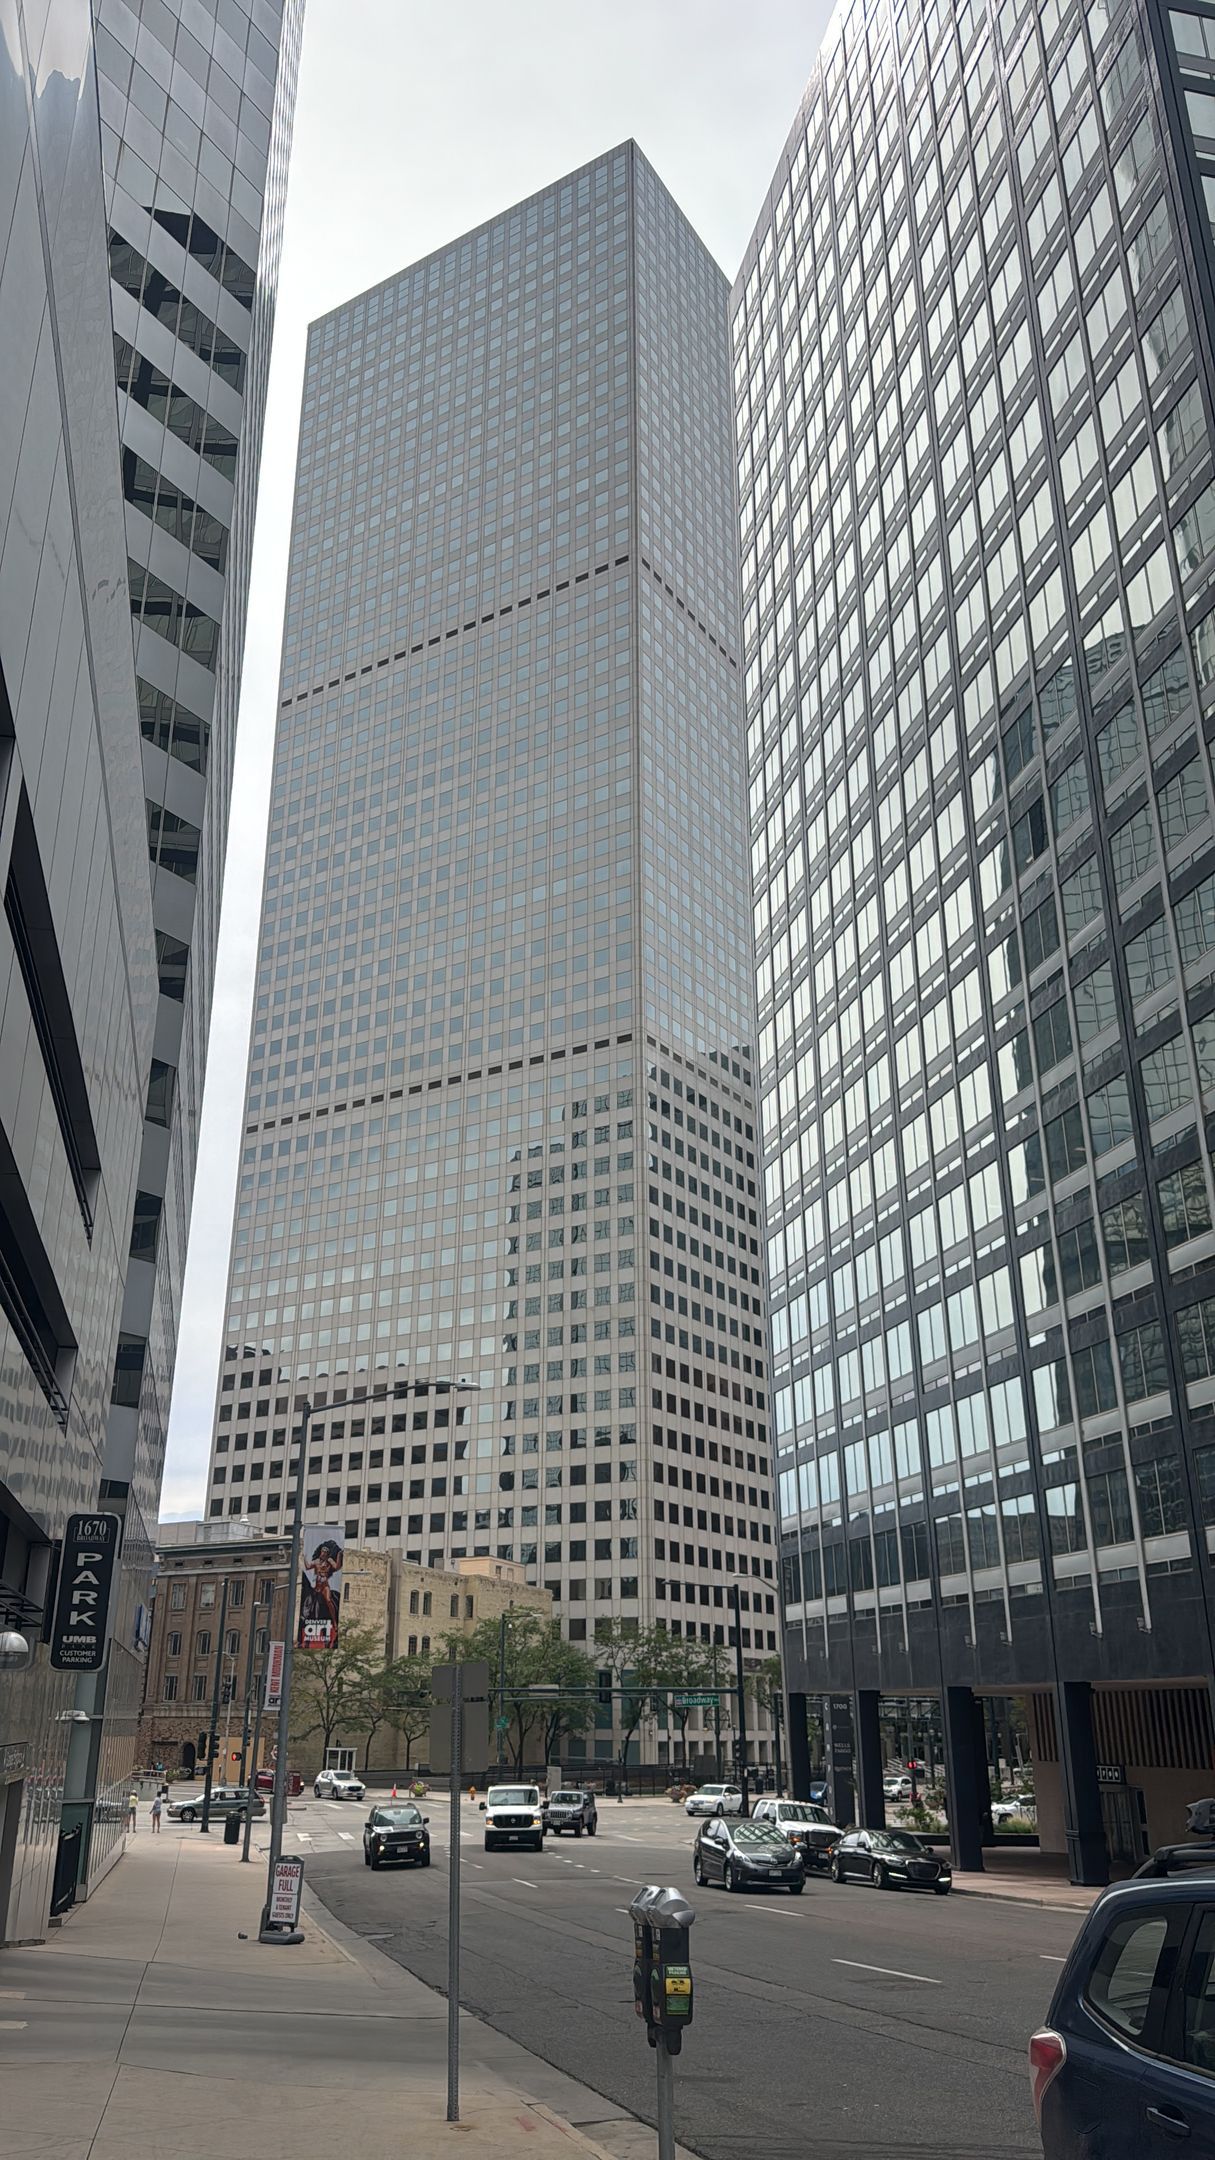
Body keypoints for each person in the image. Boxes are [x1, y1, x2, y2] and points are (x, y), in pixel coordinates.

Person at [298, 1536, 343, 1649]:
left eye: (326, 1552)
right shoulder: (316, 1561)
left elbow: (337, 1567)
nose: (323, 1553)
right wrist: (304, 1557)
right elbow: (308, 1567)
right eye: (323, 1551)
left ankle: (334, 1621)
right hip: (317, 1585)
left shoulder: (330, 1561)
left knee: (328, 1600)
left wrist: (339, 1555)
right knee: (308, 1601)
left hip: (325, 1586)